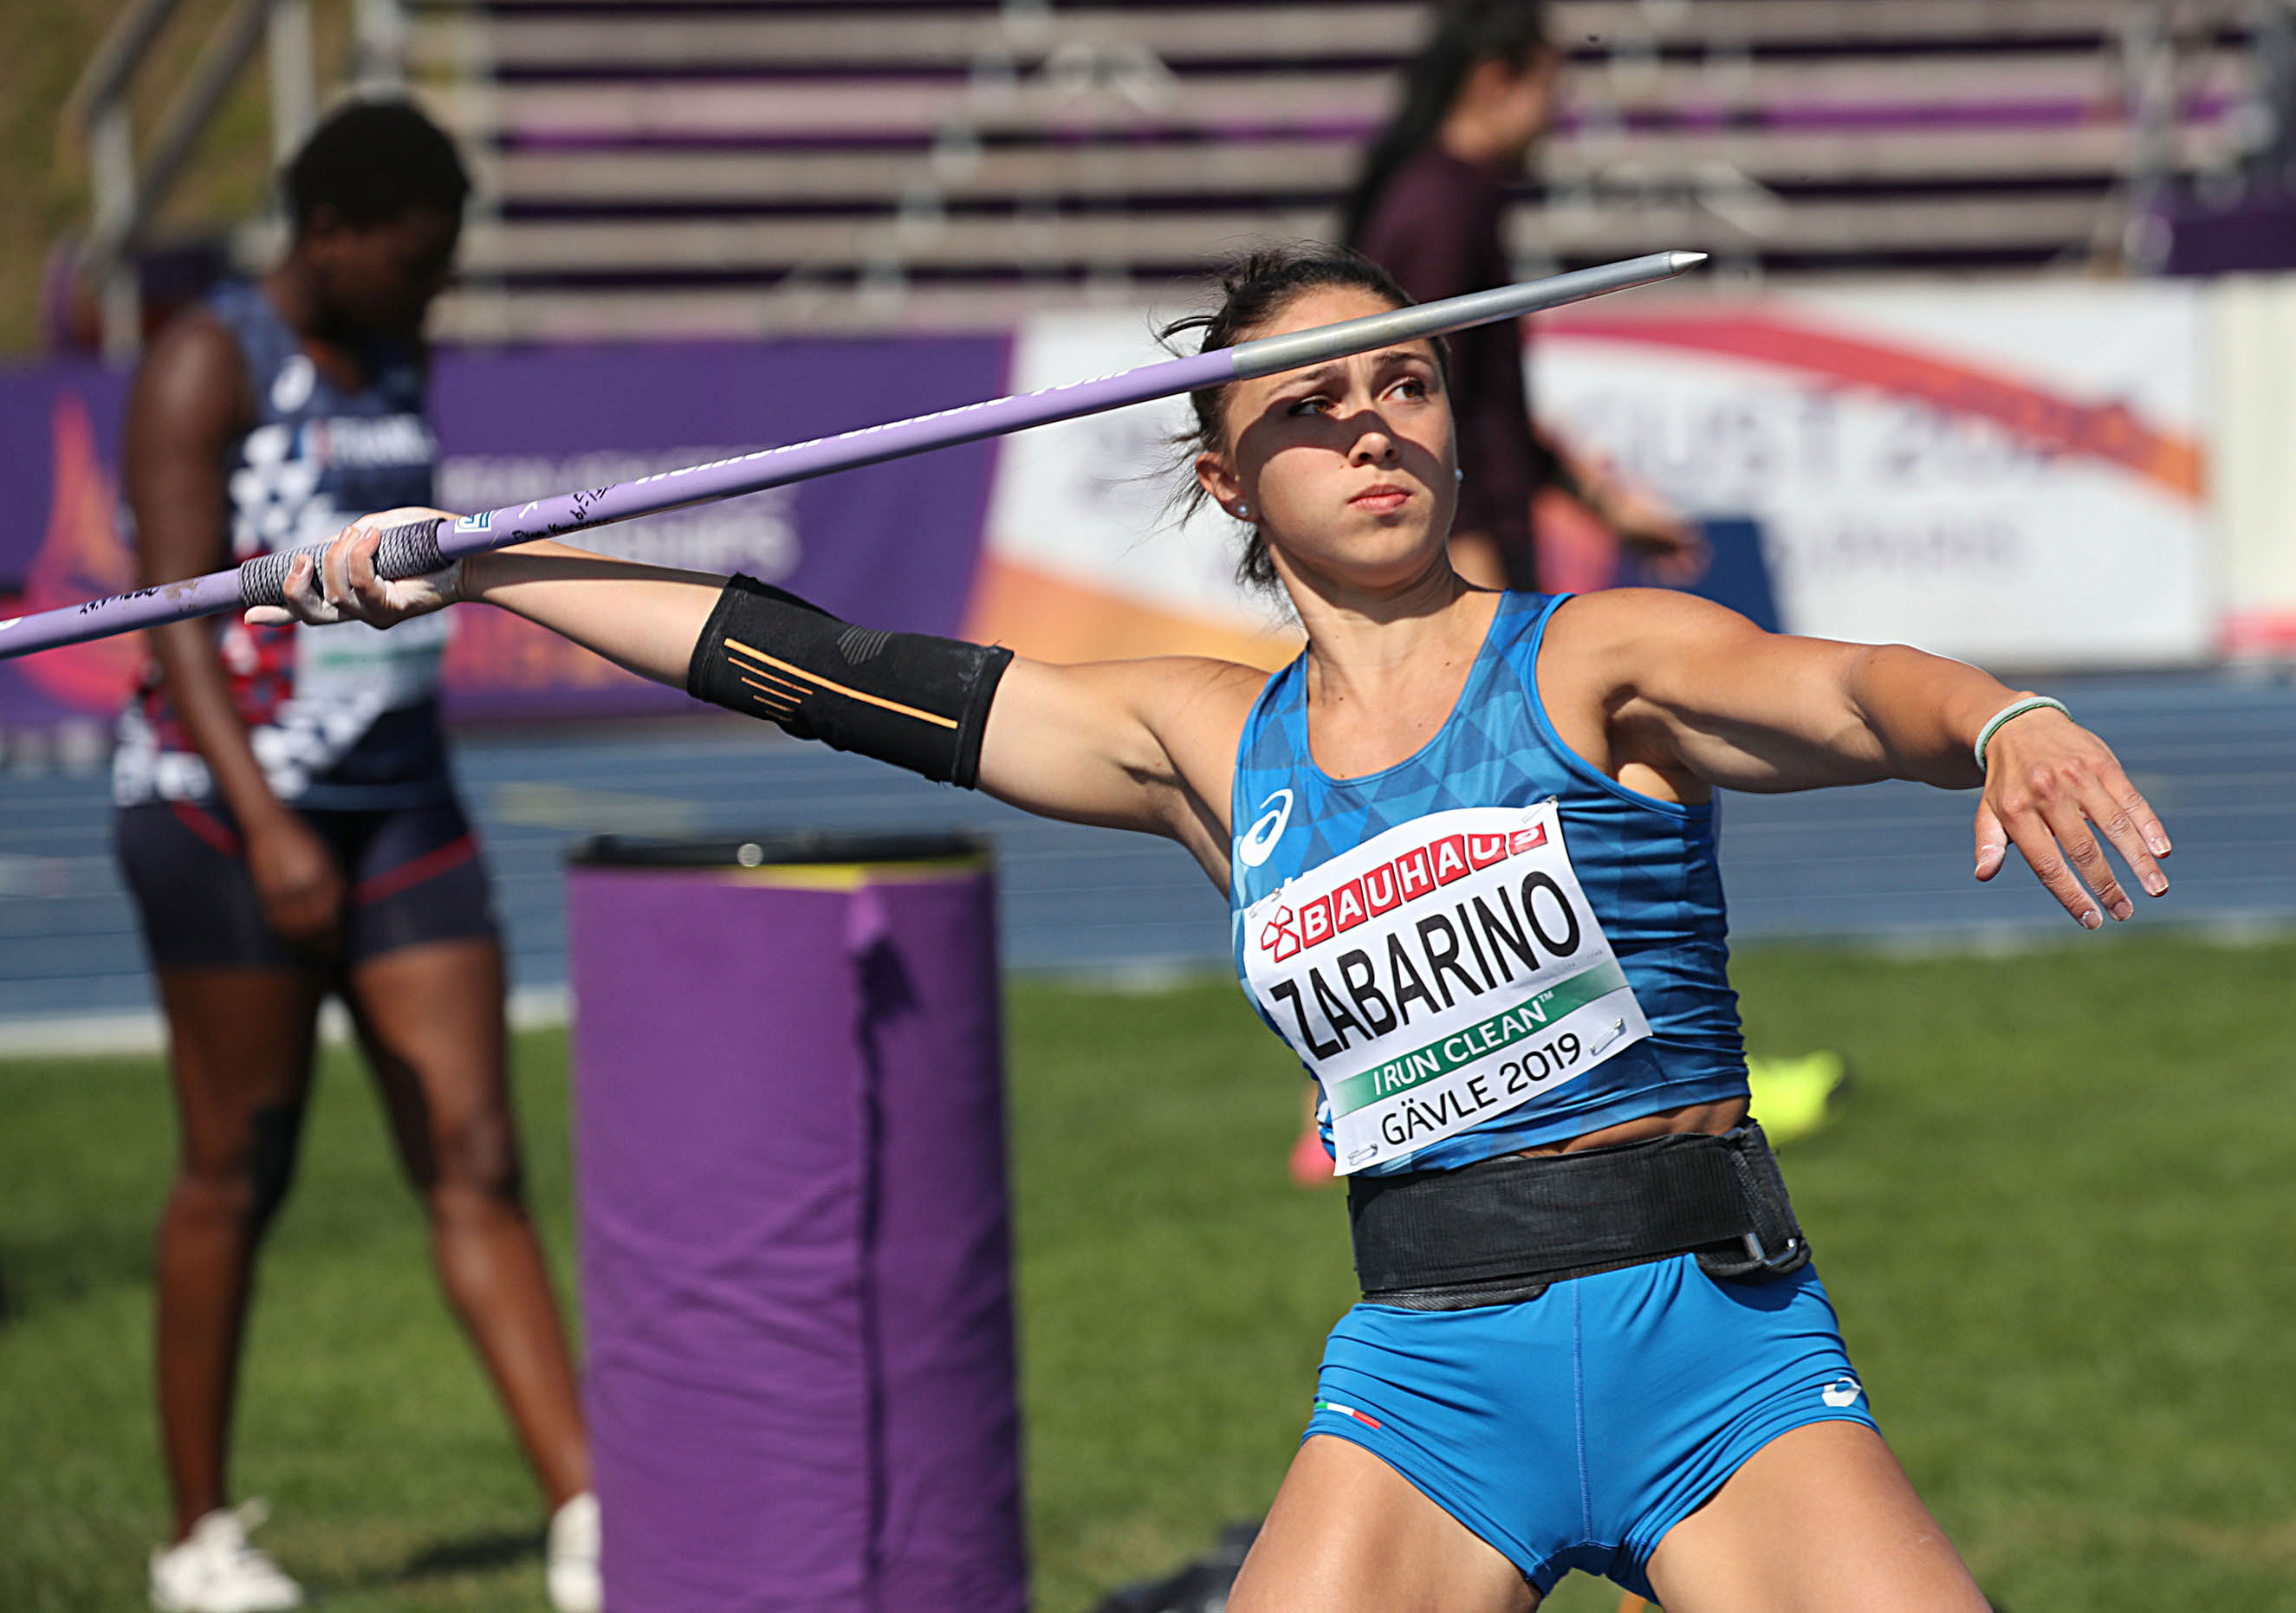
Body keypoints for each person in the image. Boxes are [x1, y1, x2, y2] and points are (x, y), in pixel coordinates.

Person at [258, 244, 2170, 1613]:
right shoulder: (1202, 744)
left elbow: (1848, 688)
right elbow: (824, 669)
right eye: (1308, 406)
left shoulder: (1592, 659)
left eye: (1401, 384)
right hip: (1432, 1383)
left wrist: (1996, 718)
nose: (1370, 428)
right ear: (1221, 474)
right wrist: (484, 568)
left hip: (1713, 1350)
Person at [113, 99, 597, 1613]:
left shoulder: (396, 351)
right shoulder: (210, 360)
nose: (433, 287)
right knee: (236, 1165)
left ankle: (590, 1514)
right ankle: (197, 1537)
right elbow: (172, 612)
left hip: (403, 800)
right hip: (225, 811)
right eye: (415, 258)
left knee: (474, 1153)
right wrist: (265, 824)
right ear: (328, 232)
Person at [1343, 0, 1703, 594]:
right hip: (1461, 548)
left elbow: (1487, 401)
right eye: (1548, 88)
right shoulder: (1441, 207)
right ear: (1495, 82)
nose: (1555, 114)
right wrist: (1462, 550)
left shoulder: (1454, 194)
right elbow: (1423, 394)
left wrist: (1604, 502)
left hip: (1476, 533)